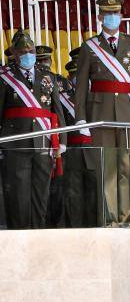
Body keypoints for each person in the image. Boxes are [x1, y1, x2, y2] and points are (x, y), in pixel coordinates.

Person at [74, 0, 130, 227]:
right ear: (100, 17)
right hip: (101, 116)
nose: (111, 17)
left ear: (122, 16)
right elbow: (80, 87)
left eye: (115, 13)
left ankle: (126, 221)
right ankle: (109, 221)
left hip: (129, 115)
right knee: (107, 170)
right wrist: (81, 119)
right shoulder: (89, 47)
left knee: (127, 168)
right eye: (107, 14)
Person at [0, 32, 66, 229]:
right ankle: (19, 239)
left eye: (31, 51)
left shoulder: (48, 77)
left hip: (43, 143)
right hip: (15, 144)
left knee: (41, 196)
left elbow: (57, 111)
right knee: (18, 198)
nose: (28, 55)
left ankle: (38, 237)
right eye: (23, 52)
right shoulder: (4, 77)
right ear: (13, 52)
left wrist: (62, 141)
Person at [61, 59, 99, 227]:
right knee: (73, 195)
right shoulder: (63, 98)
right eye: (75, 75)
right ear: (69, 77)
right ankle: (75, 230)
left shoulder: (98, 97)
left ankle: (94, 229)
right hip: (72, 152)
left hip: (95, 151)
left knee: (94, 195)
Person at [37, 44, 70, 227]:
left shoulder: (60, 82)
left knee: (57, 188)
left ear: (51, 60)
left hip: (55, 139)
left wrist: (62, 140)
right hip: (37, 138)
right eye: (40, 60)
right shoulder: (30, 79)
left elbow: (60, 111)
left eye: (46, 60)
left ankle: (54, 224)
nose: (44, 63)